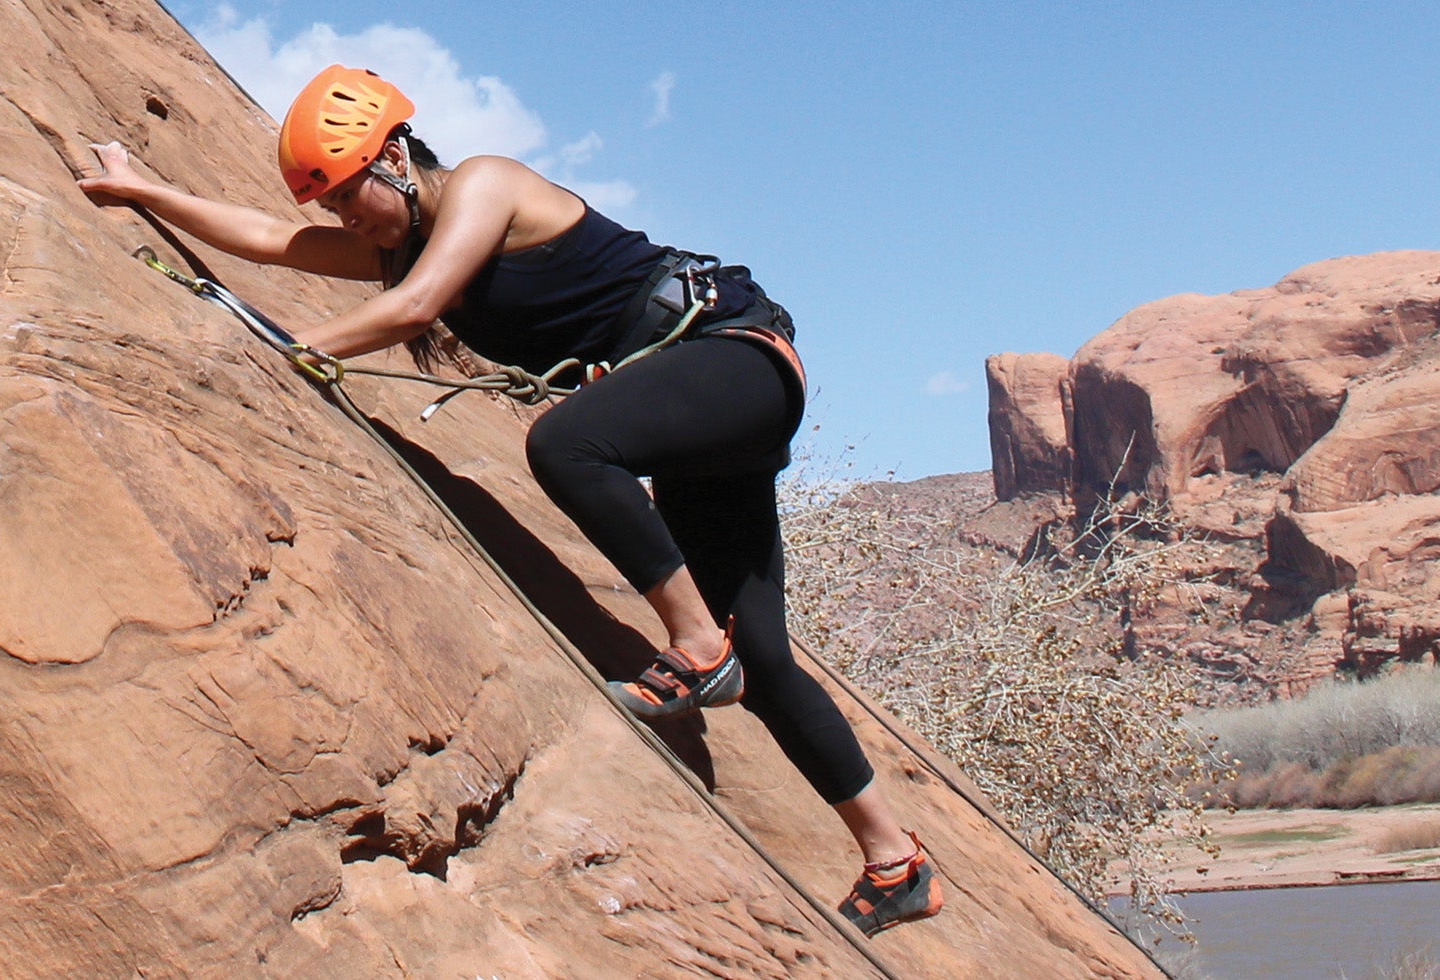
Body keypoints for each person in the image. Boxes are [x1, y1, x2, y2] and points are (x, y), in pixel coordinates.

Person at [77, 65, 942, 934]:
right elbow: (270, 239)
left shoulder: (485, 184)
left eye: (348, 197)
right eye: (333, 207)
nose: (346, 221)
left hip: (730, 356)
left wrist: (286, 349)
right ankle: (894, 860)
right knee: (764, 656)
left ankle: (691, 645)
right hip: (698, 419)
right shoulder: (398, 242)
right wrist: (142, 190)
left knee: (565, 445)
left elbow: (415, 307)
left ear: (394, 159)